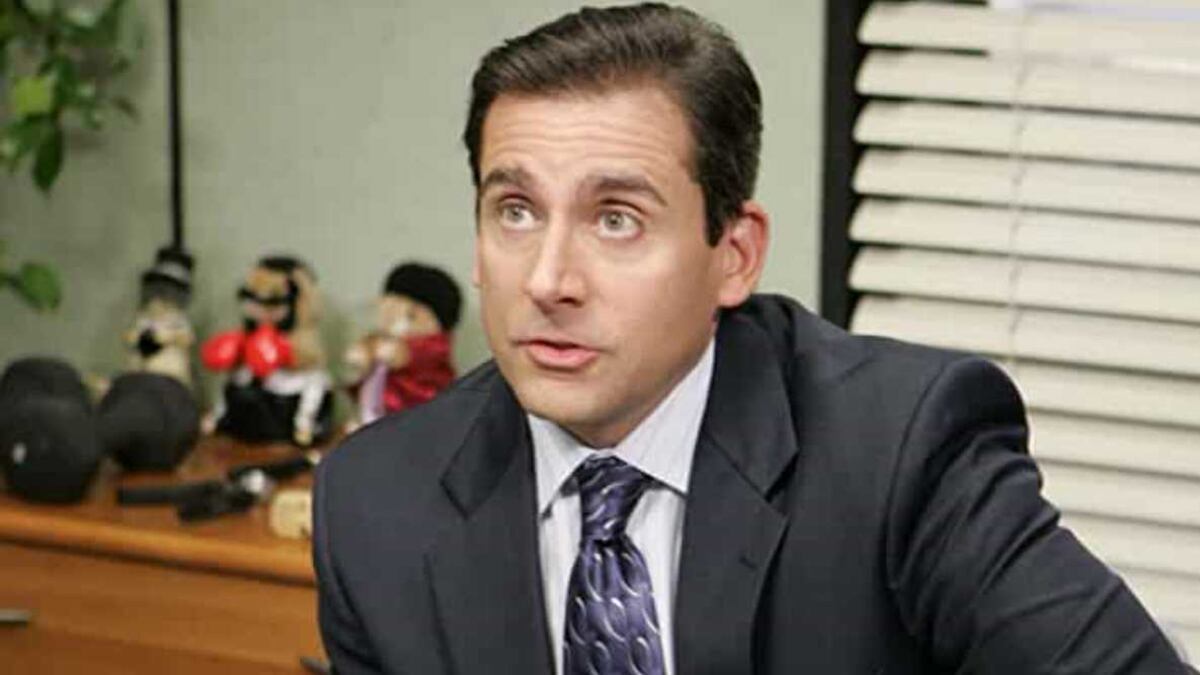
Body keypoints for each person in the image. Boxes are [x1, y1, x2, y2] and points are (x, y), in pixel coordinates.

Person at [312, 4, 1194, 674]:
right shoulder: (376, 503)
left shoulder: (899, 453)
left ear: (734, 255)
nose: (547, 280)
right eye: (515, 210)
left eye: (616, 218)